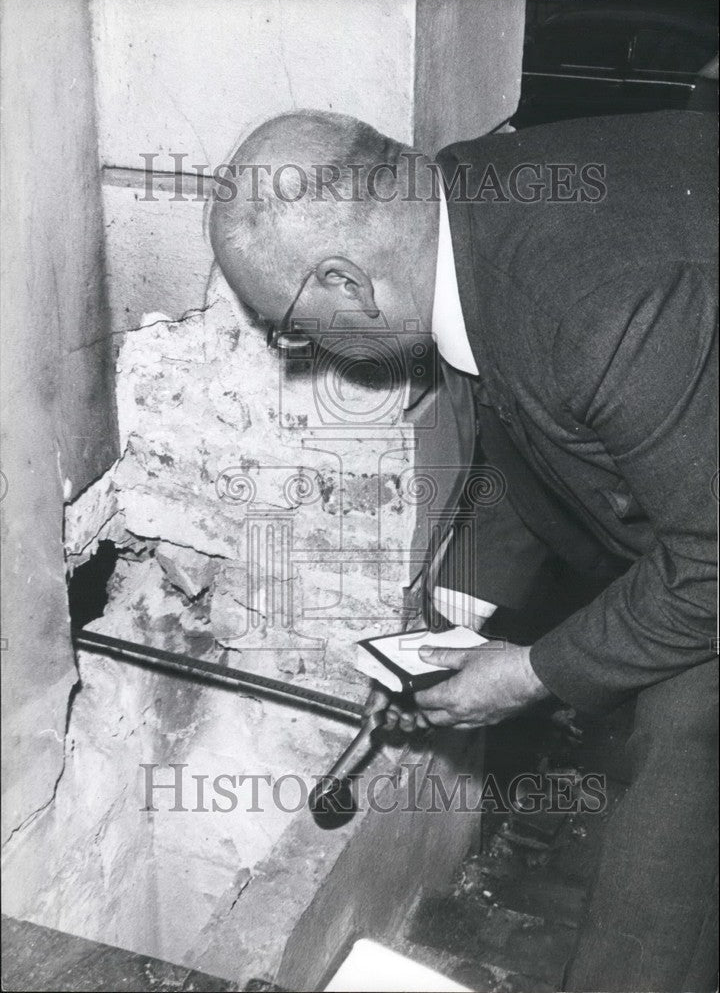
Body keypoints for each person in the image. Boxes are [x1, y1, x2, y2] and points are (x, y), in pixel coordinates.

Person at [209, 109, 717, 992]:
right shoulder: (469, 210)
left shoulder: (601, 310)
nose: (297, 351)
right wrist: (457, 617)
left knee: (678, 777)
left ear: (347, 282)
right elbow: (526, 414)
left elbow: (710, 564)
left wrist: (530, 674)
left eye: (288, 326)